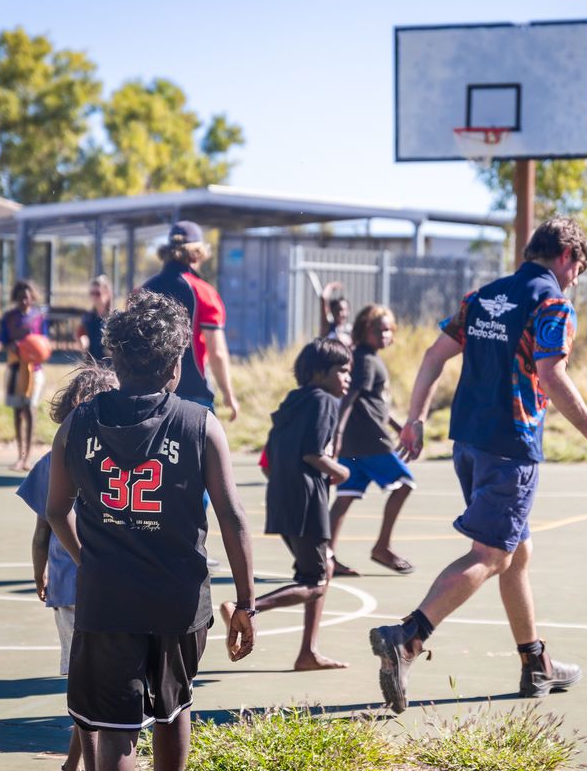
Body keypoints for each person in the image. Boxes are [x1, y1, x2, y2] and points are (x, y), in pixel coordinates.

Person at [368, 216, 587, 714]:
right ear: (566, 255)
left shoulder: (482, 297)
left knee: (517, 552)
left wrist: (415, 418)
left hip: (469, 442)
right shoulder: (552, 302)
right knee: (492, 555)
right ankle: (407, 638)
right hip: (511, 446)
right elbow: (552, 374)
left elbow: (434, 356)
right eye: (579, 266)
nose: (577, 277)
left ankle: (533, 660)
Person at [44, 290, 256, 771]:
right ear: (176, 365)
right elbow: (232, 516)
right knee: (172, 710)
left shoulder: (76, 424)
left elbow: (57, 510)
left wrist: (88, 561)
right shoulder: (199, 424)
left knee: (116, 731)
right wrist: (246, 604)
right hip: (178, 600)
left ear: (114, 359)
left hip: (107, 597)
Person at [221, 338, 353, 672]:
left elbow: (267, 461)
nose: (347, 378)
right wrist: (341, 470)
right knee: (316, 582)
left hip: (281, 497)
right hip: (308, 502)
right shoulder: (324, 401)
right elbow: (313, 453)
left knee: (321, 569)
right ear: (319, 372)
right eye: (342, 370)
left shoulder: (292, 402)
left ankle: (308, 652)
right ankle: (247, 610)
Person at [17, 360, 117, 771]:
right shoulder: (109, 457)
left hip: (76, 586)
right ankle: (86, 765)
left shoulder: (53, 458)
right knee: (94, 684)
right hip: (92, 586)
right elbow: (47, 526)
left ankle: (72, 764)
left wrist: (38, 572)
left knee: (89, 683)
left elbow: (41, 533)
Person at [328, 305, 417, 577]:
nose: (386, 334)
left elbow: (374, 402)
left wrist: (399, 426)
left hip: (357, 442)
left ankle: (326, 556)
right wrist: (337, 436)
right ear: (365, 329)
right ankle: (382, 546)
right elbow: (350, 399)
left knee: (345, 497)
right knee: (404, 484)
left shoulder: (368, 358)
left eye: (390, 330)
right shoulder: (366, 359)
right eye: (380, 329)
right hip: (369, 441)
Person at [141, 221, 239, 422]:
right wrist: (229, 395)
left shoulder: (143, 291)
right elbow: (217, 352)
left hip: (149, 396)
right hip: (194, 395)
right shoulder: (203, 292)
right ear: (197, 253)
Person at [0, 279, 50, 471]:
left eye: (27, 298)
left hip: (33, 371)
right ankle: (19, 456)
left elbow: (44, 342)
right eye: (21, 298)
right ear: (16, 298)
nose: (24, 301)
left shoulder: (38, 318)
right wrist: (13, 346)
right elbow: (3, 341)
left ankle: (27, 457)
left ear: (32, 298)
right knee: (17, 411)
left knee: (30, 409)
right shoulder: (9, 317)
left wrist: (35, 349)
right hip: (14, 368)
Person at [76, 274, 113, 363]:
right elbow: (81, 337)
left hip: (110, 368)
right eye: (91, 293)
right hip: (92, 366)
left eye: (97, 293)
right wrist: (82, 341)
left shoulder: (115, 318)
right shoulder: (87, 317)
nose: (94, 297)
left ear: (107, 294)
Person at [320, 281, 352, 347]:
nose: (341, 314)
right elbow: (324, 298)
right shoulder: (328, 326)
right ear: (332, 311)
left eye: (345, 310)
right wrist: (331, 286)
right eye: (338, 310)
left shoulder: (351, 329)